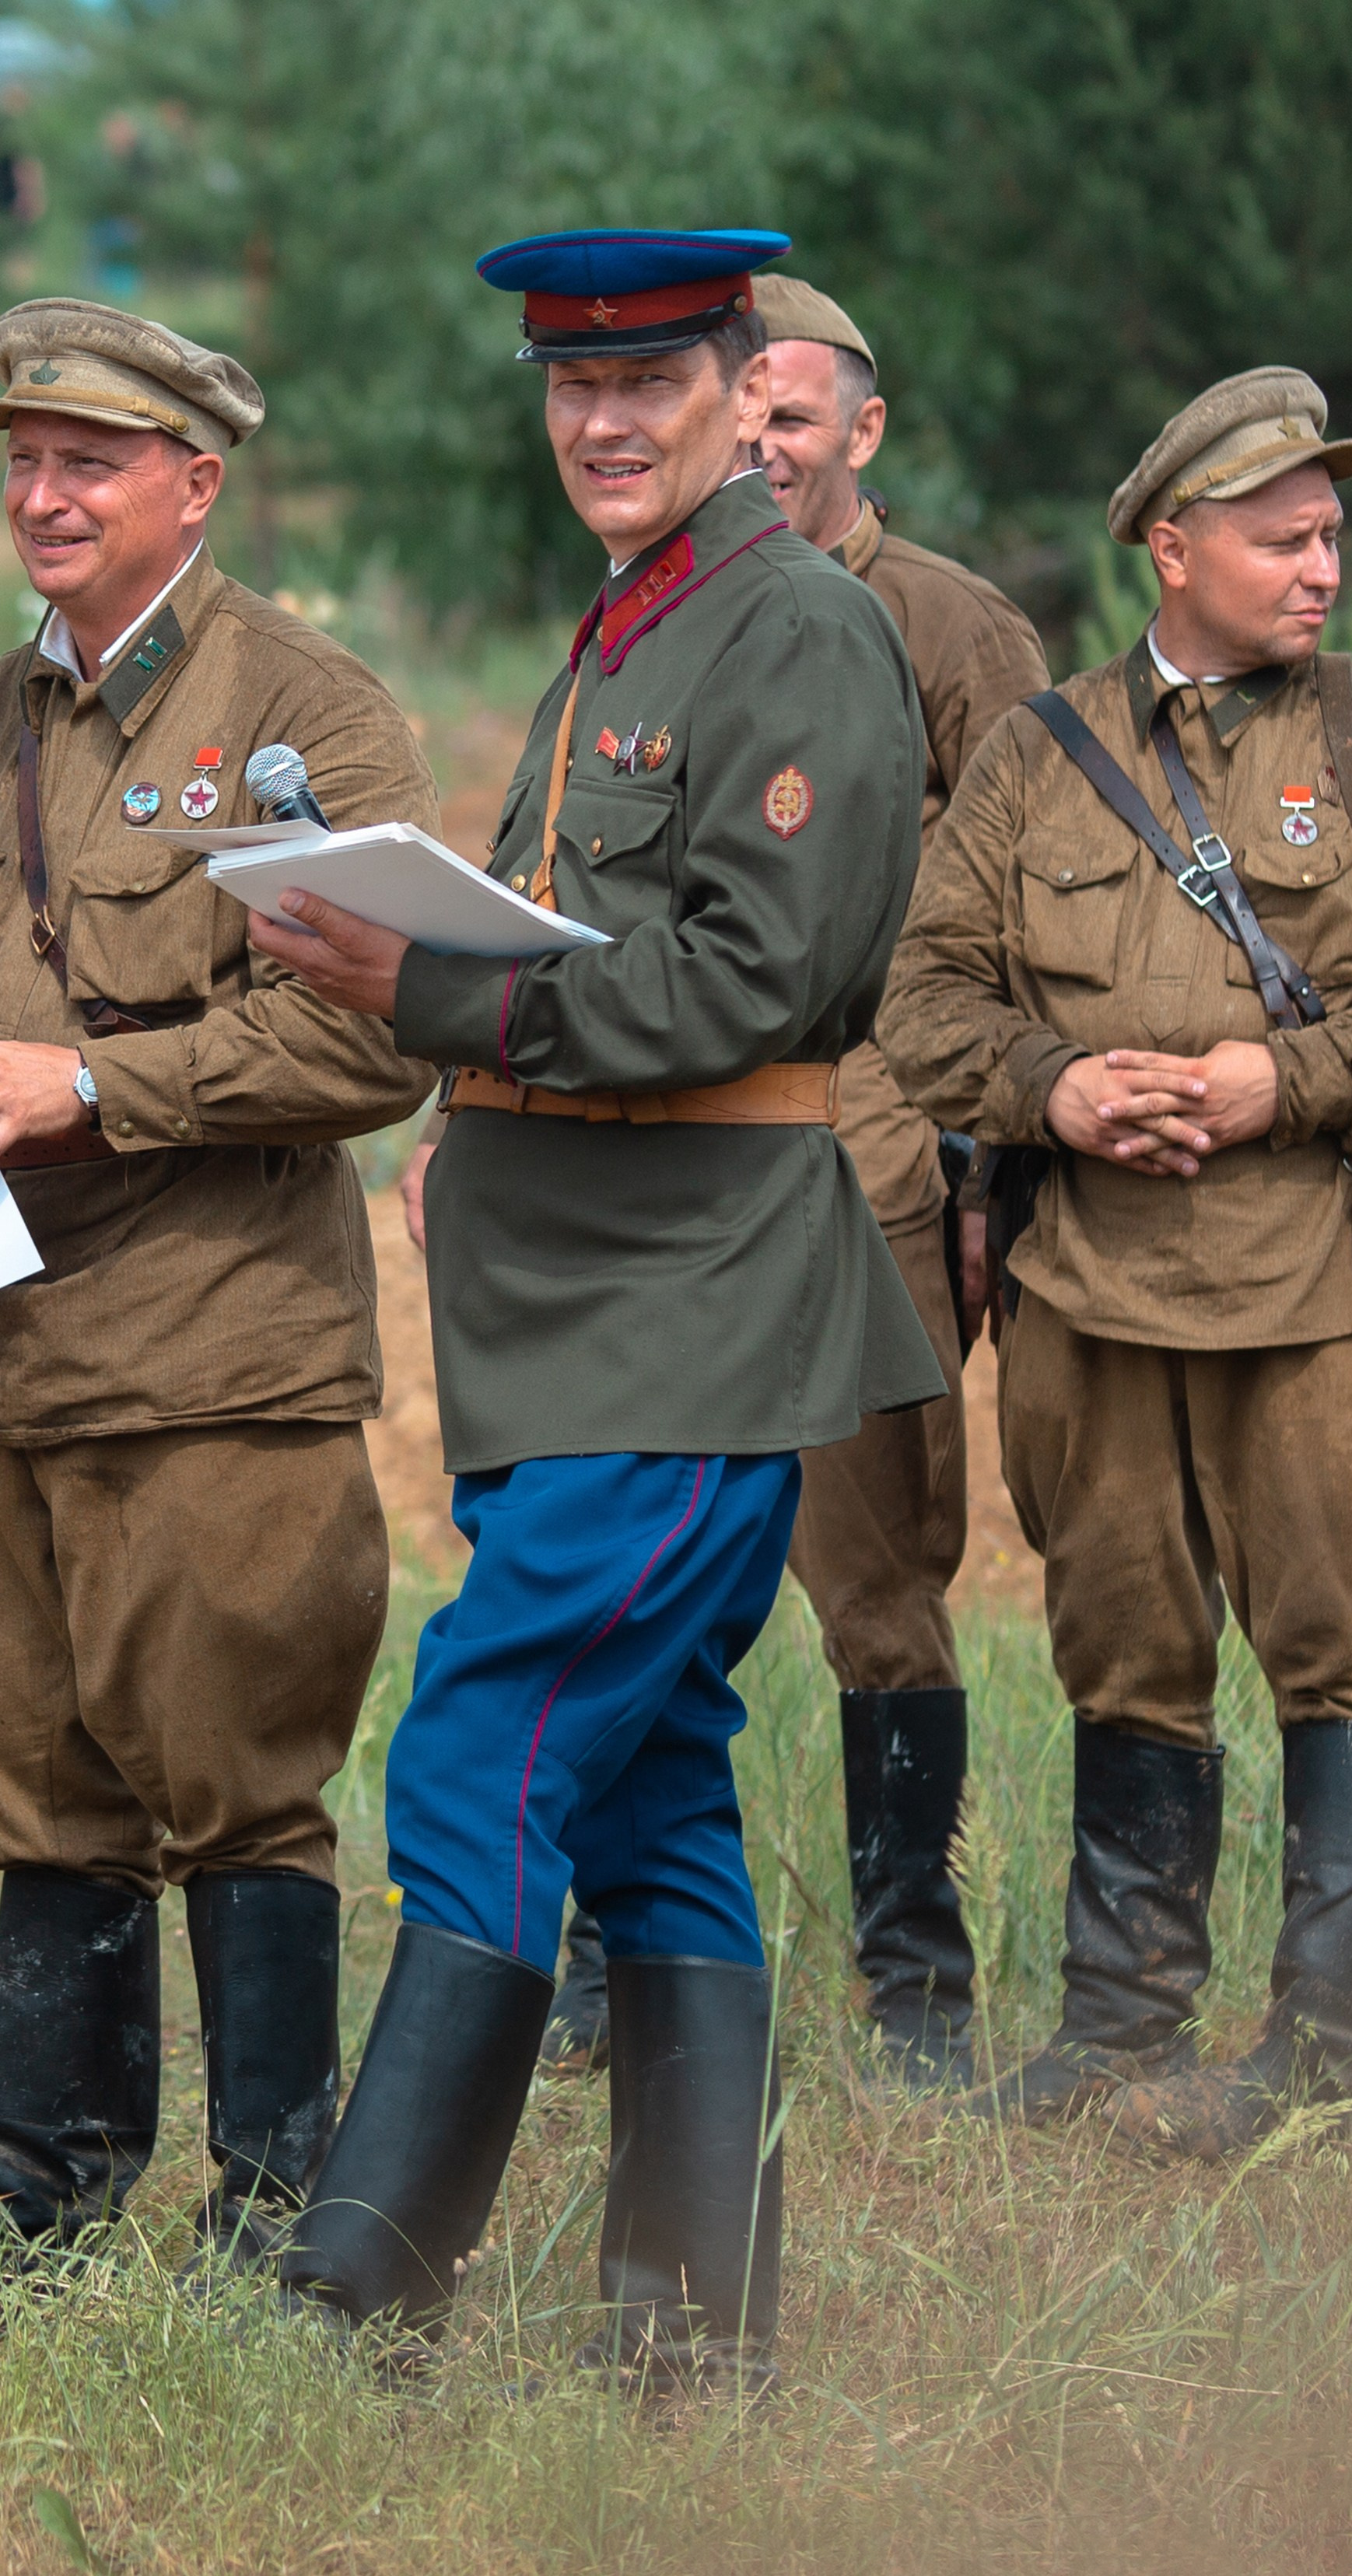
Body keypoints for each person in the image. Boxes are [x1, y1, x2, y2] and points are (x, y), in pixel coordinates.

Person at [248, 229, 944, 2392]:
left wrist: (436, 996)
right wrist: (472, 1062)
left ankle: (365, 2288)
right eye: (573, 388)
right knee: (650, 1798)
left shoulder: (799, 627)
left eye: (651, 383)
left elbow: (752, 980)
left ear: (751, 394)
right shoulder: (638, 626)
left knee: (494, 1723)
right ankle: (692, 2333)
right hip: (579, 1292)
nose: (606, 422)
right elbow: (598, 944)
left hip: (692, 1299)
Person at [877, 367, 1352, 2159]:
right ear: (1171, 546)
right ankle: (1114, 2030)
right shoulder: (1036, 751)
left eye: (1331, 536)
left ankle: (1315, 2063)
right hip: (1086, 1296)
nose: (1322, 566)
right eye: (1278, 537)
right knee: (1124, 1656)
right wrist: (1055, 1087)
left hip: (1313, 1289)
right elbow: (922, 996)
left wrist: (1274, 1083)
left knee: (1344, 1660)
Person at [0, 299, 438, 2298]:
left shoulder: (311, 716)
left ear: (194, 484)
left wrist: (97, 1085)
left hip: (212, 1355)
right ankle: (39, 2195)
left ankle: (276, 2210)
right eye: (20, 458)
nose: (39, 493)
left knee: (234, 1789)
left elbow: (376, 1046)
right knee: (37, 1780)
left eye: (87, 461)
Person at [532, 274, 1048, 2091]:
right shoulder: (643, 614)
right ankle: (608, 1961)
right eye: (743, 415)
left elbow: (1032, 908)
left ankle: (914, 1989)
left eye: (791, 418)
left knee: (876, 1577)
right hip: (654, 1167)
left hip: (873, 1160)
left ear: (857, 431)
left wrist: (992, 1163)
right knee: (625, 1568)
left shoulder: (945, 631)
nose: (762, 446)